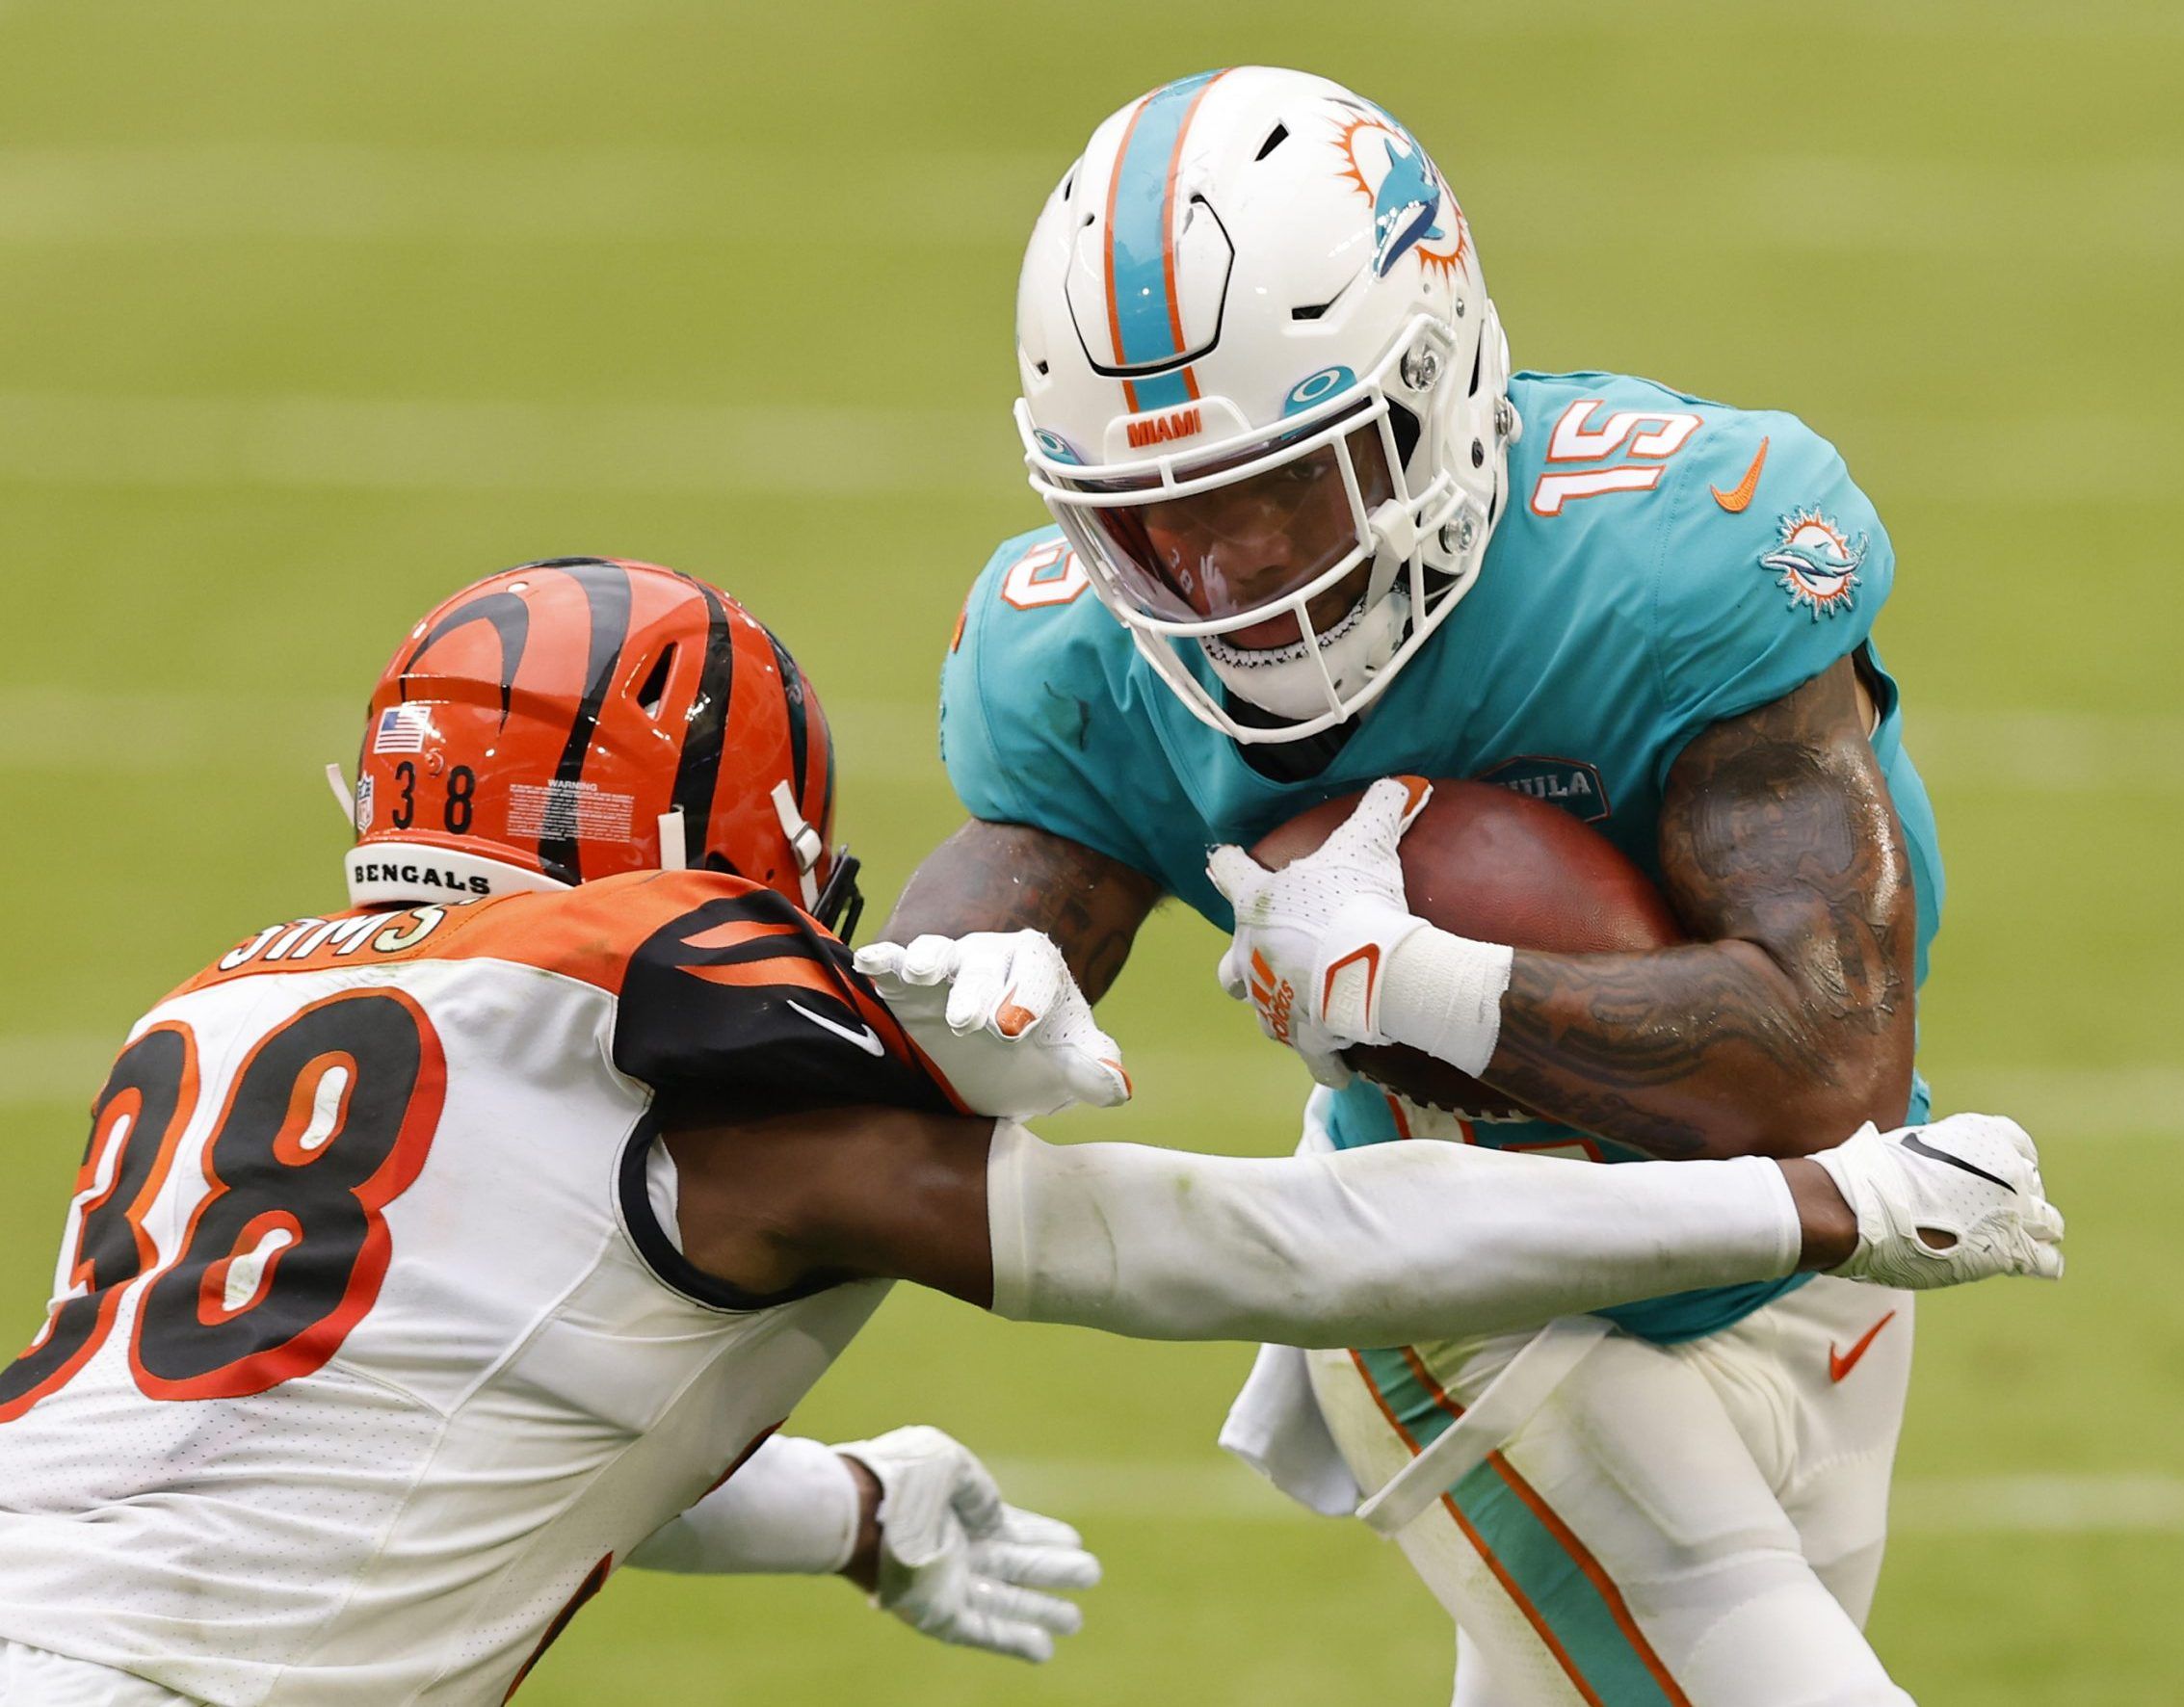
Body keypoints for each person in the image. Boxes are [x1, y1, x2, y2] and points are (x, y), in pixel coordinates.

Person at [0, 558, 2056, 1707]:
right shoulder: (712, 1092)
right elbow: (1257, 1252)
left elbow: (451, 1413)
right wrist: (1802, 1194)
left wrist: (858, 1508)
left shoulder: (224, 1010)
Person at [881, 66, 2003, 1706]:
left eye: (1274, 483)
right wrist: (940, 1019)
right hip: (1463, 1286)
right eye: (1153, 517)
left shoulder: (1672, 557)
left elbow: (1830, 1064)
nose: (1224, 572)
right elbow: (925, 992)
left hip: (1799, 1274)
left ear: (1433, 381)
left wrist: (1422, 989)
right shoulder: (1074, 661)